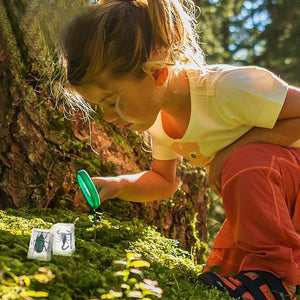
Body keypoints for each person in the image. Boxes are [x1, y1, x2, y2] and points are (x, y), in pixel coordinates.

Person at [58, 0, 300, 298]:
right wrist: (117, 185)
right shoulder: (158, 122)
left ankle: (276, 280)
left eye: (113, 101)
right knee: (222, 274)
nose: (108, 117)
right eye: (101, 107)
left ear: (157, 73)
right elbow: (164, 181)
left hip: (287, 181)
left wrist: (233, 151)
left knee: (244, 164)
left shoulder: (229, 89)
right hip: (271, 202)